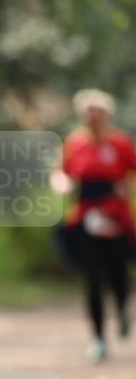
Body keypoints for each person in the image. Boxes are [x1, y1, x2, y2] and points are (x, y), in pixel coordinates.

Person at [51, 88, 136, 364]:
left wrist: (127, 187)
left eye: (97, 113)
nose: (92, 119)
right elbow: (61, 172)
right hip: (87, 214)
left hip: (116, 215)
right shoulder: (74, 143)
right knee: (92, 277)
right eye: (88, 114)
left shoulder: (120, 143)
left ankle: (123, 309)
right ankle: (98, 338)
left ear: (106, 115)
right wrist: (62, 185)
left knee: (118, 273)